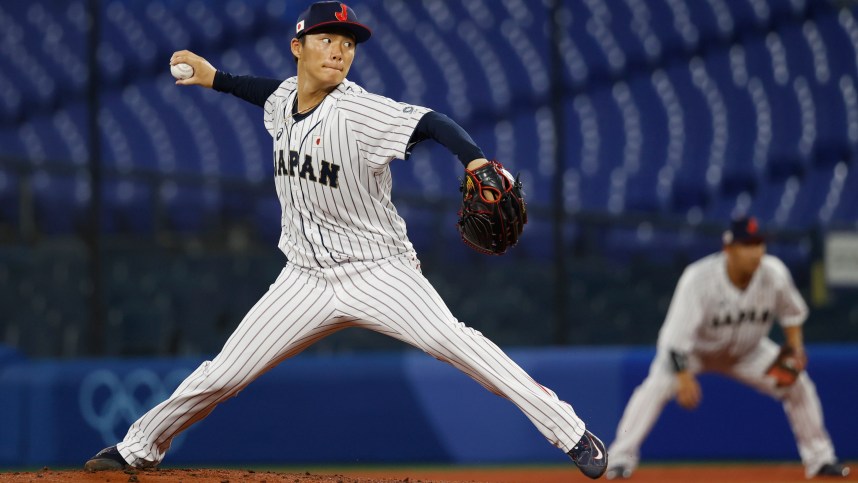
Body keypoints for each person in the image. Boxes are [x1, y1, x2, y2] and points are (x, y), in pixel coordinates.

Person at [84, 2, 607, 479]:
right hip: (304, 278)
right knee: (223, 373)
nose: (339, 50)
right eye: (327, 39)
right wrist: (214, 78)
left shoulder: (358, 111)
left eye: (348, 43)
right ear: (299, 48)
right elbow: (265, 92)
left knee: (459, 343)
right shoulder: (285, 99)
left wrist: (472, 159)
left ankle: (571, 432)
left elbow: (431, 121)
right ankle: (137, 449)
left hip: (379, 272)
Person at [605, 216, 850, 480]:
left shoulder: (774, 273)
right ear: (728, 249)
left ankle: (821, 460)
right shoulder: (698, 279)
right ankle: (619, 460)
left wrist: (794, 347)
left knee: (798, 383)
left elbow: (792, 314)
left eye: (759, 244)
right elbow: (673, 341)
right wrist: (683, 377)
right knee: (655, 387)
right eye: (747, 245)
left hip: (750, 353)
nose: (755, 252)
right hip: (695, 353)